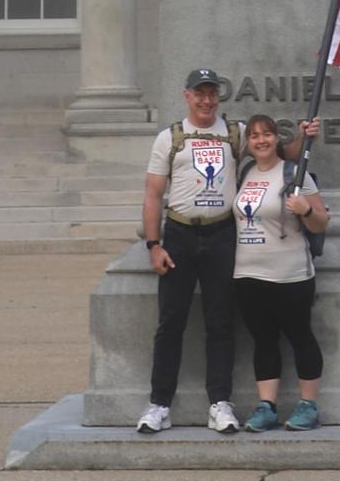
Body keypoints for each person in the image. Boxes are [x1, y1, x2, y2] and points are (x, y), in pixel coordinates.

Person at [138, 70, 318, 434]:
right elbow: (153, 194)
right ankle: (159, 403)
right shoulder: (169, 138)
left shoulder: (234, 133)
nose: (207, 101)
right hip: (180, 234)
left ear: (218, 97)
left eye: (212, 94)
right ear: (187, 95)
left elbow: (280, 152)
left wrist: (303, 136)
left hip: (222, 234)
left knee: (220, 322)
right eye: (200, 94)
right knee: (170, 322)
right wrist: (153, 245)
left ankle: (219, 402)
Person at [233, 113, 329, 432]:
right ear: (248, 143)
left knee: (300, 336)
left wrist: (307, 210)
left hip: (290, 273)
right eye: (255, 135)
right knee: (263, 341)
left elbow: (321, 222)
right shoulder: (244, 172)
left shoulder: (294, 174)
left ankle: (308, 405)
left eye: (267, 134)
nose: (261, 140)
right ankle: (267, 406)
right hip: (248, 273)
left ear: (277, 138)